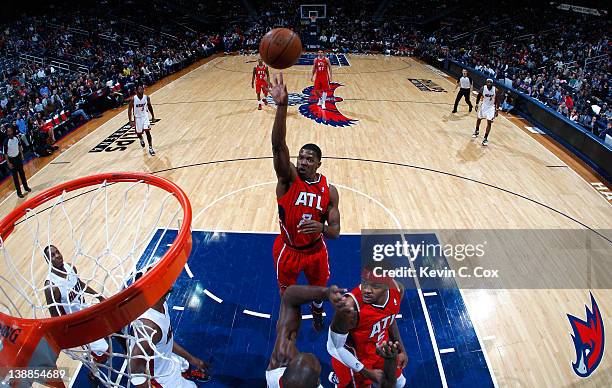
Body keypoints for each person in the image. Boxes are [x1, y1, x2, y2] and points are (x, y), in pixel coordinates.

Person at [269, 73, 341, 331]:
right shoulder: (288, 179)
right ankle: (289, 330)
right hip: (288, 250)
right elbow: (278, 146)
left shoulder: (329, 190)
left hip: (315, 251)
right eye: (300, 157)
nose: (302, 162)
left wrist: (321, 228)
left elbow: (335, 232)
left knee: (319, 291)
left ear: (318, 163)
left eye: (309, 159)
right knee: (287, 300)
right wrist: (282, 107)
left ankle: (318, 309)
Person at [327, 270, 407, 388]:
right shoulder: (349, 309)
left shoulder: (397, 290)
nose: (367, 290)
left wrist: (401, 349)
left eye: (375, 286)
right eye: (364, 282)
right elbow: (333, 348)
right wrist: (366, 372)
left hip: (378, 350)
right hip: (355, 358)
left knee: (399, 383)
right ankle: (341, 378)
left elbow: (390, 317)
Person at [129, 273, 210, 387]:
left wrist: (192, 359)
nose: (166, 279)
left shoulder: (161, 304)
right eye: (161, 280)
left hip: (165, 357)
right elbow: (134, 372)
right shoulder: (148, 328)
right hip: (161, 378)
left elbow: (166, 338)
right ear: (153, 291)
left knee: (184, 364)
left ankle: (186, 373)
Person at [266, 285, 347, 388]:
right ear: (317, 383)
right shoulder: (281, 360)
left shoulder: (282, 357)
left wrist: (325, 293)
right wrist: (325, 293)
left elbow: (289, 297)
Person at [42, 245, 109, 363]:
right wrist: (67, 334)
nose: (57, 256)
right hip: (77, 325)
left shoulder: (70, 267)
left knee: (110, 329)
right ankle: (93, 372)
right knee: (104, 353)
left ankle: (91, 356)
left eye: (57, 252)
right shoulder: (52, 287)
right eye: (52, 255)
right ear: (48, 261)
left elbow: (80, 284)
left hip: (86, 312)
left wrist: (99, 296)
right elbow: (54, 314)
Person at [2, 125, 31, 198]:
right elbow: (5, 154)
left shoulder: (16, 138)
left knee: (22, 174)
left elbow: (19, 146)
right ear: (7, 132)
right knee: (15, 177)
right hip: (12, 160)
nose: (10, 132)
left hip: (18, 158)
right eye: (8, 131)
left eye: (11, 130)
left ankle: (26, 187)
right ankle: (19, 192)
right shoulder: (5, 142)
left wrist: (21, 154)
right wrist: (8, 163)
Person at [128, 83, 155, 156]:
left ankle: (150, 148)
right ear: (136, 91)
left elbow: (150, 106)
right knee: (139, 133)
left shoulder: (146, 98)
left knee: (148, 132)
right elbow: (129, 110)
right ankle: (141, 139)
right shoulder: (133, 99)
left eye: (142, 88)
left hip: (145, 117)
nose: (141, 90)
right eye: (140, 89)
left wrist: (153, 116)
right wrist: (130, 120)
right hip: (137, 118)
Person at [473, 78, 500, 146]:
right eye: (488, 82)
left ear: (492, 83)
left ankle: (485, 138)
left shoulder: (495, 90)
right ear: (486, 82)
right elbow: (479, 96)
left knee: (489, 121)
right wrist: (476, 104)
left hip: (491, 107)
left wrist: (497, 110)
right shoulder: (483, 88)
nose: (489, 83)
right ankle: (476, 131)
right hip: (484, 105)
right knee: (479, 119)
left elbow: (498, 100)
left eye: (490, 82)